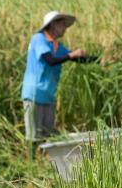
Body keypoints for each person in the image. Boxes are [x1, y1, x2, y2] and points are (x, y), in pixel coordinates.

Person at [20, 11, 89, 158]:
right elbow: (50, 60)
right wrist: (71, 55)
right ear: (52, 25)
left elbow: (74, 58)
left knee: (47, 133)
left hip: (48, 96)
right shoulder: (39, 39)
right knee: (34, 135)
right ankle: (31, 166)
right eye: (62, 24)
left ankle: (45, 162)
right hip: (34, 93)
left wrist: (98, 60)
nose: (65, 28)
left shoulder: (57, 46)